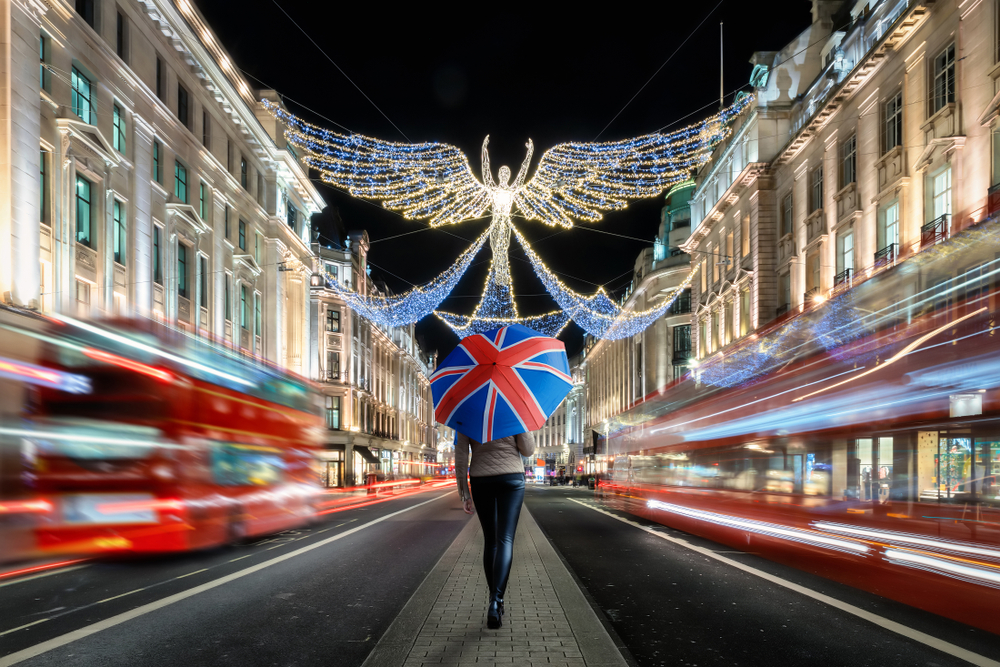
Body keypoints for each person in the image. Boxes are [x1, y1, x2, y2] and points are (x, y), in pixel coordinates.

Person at [455, 430, 536, 629]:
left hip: (481, 478)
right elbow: (528, 450)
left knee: (490, 540)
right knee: (505, 539)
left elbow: (461, 455)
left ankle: (494, 601)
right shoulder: (513, 408)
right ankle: (496, 601)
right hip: (511, 477)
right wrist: (524, 426)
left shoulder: (468, 409)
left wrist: (464, 492)